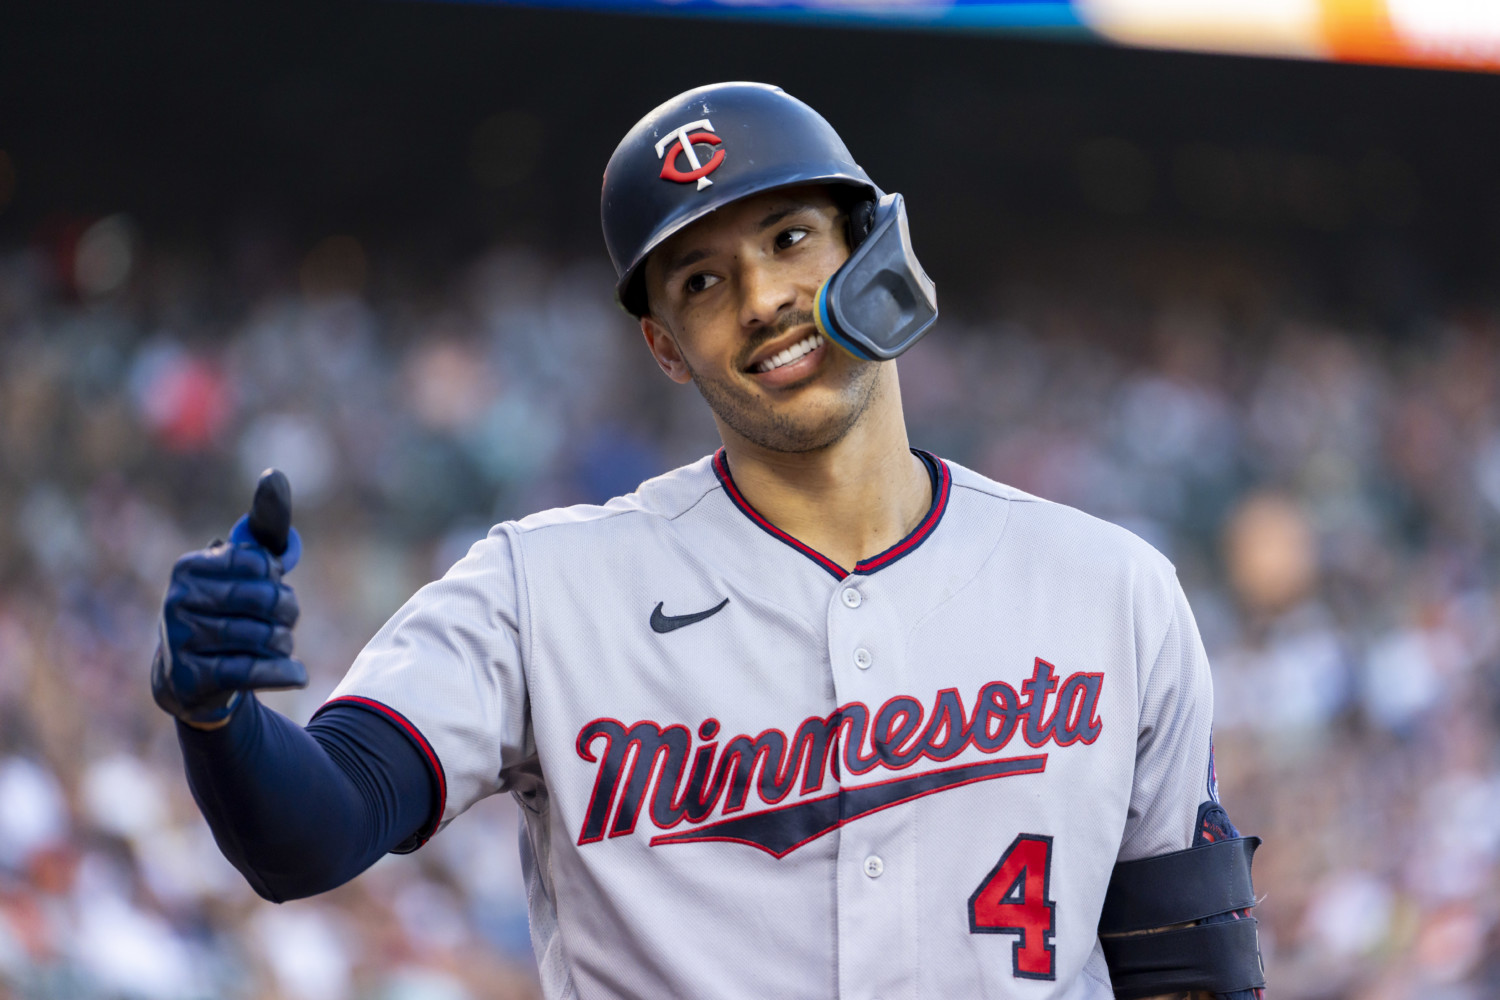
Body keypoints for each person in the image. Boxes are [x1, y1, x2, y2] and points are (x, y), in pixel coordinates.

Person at [152, 82, 1265, 999]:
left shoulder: (1110, 590)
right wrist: (216, 714)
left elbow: (1190, 971)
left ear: (869, 248)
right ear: (667, 347)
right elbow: (314, 828)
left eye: (790, 239)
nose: (767, 298)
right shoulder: (544, 589)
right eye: (703, 281)